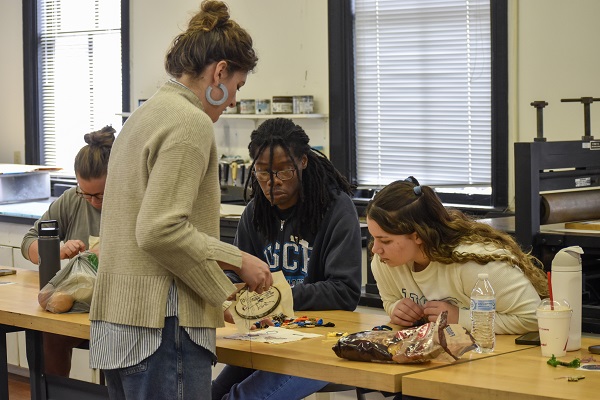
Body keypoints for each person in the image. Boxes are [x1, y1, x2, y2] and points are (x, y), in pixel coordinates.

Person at [88, 2, 272, 399]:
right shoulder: (190, 122)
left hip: (121, 326)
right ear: (219, 72)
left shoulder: (144, 115)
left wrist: (215, 293)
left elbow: (148, 229)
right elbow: (160, 230)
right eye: (237, 86)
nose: (233, 101)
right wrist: (238, 260)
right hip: (161, 329)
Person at [212, 117, 363, 400]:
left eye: (284, 172)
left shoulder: (334, 209)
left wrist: (276, 297)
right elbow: (235, 275)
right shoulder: (255, 212)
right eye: (262, 173)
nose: (273, 183)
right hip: (267, 335)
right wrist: (234, 295)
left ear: (303, 162)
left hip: (319, 340)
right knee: (209, 394)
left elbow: (344, 291)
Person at [365, 177, 549, 334]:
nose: (375, 249)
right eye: (374, 238)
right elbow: (389, 300)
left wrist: (460, 318)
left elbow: (535, 317)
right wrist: (396, 309)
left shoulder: (475, 263)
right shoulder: (384, 262)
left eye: (385, 241)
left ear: (417, 236)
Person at [21, 125, 115, 377]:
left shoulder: (133, 202)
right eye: (86, 193)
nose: (94, 201)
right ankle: (53, 392)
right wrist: (56, 249)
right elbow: (29, 240)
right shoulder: (73, 200)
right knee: (50, 335)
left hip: (118, 309)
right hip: (79, 308)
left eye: (101, 195)